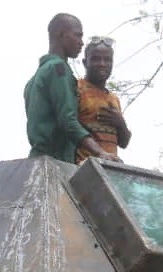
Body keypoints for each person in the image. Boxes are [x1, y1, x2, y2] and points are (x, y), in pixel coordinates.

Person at [24, 13, 119, 164]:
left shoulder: (38, 75)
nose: (81, 43)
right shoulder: (59, 70)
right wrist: (100, 152)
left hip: (37, 159)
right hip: (55, 160)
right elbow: (68, 121)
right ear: (61, 35)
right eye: (77, 36)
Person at [75, 37, 131, 164]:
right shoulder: (77, 89)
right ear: (85, 62)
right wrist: (99, 152)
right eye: (96, 59)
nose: (102, 64)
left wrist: (121, 124)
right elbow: (70, 127)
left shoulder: (113, 98)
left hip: (111, 169)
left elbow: (124, 142)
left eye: (107, 60)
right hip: (84, 167)